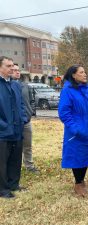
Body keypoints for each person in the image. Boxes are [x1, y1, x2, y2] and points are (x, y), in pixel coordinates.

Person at [58, 65, 88, 197]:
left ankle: (82, 180)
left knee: (87, 154)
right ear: (73, 75)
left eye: (85, 72)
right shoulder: (68, 90)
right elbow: (64, 112)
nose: (85, 74)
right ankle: (78, 183)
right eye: (81, 72)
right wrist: (75, 128)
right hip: (77, 129)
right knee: (77, 155)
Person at [0, 56, 27, 198]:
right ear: (0, 67)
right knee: (2, 161)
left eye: (12, 66)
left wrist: (22, 119)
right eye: (8, 66)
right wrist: (3, 125)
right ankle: (3, 190)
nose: (12, 68)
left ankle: (14, 184)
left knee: (15, 159)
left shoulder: (15, 85)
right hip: (2, 131)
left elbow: (21, 105)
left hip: (17, 130)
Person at [11, 64, 39, 173]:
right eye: (14, 70)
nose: (17, 72)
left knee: (27, 145)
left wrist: (30, 113)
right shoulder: (6, 86)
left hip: (26, 122)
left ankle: (29, 166)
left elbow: (32, 101)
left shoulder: (25, 86)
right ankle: (13, 168)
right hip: (12, 123)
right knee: (14, 147)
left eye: (18, 70)